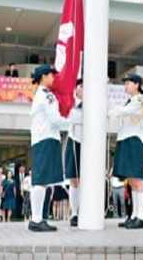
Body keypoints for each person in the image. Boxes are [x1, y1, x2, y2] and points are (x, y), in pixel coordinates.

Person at [28, 64, 65, 232]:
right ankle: (36, 219)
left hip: (42, 139)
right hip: (46, 138)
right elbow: (55, 119)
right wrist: (75, 121)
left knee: (42, 180)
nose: (53, 77)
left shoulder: (41, 95)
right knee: (41, 180)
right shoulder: (46, 96)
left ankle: (38, 218)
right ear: (43, 77)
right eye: (51, 74)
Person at [110, 74, 143, 230]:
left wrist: (113, 110)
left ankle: (141, 217)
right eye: (125, 83)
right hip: (124, 139)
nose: (126, 85)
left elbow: (122, 112)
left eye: (128, 83)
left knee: (137, 179)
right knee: (131, 180)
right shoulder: (128, 102)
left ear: (137, 84)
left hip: (133, 140)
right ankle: (133, 216)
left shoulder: (138, 101)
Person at [64, 78, 83, 227]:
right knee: (74, 179)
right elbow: (71, 118)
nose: (83, 90)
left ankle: (85, 211)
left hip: (88, 144)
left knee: (85, 180)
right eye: (81, 87)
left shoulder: (92, 104)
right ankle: (74, 213)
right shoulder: (71, 103)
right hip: (73, 140)